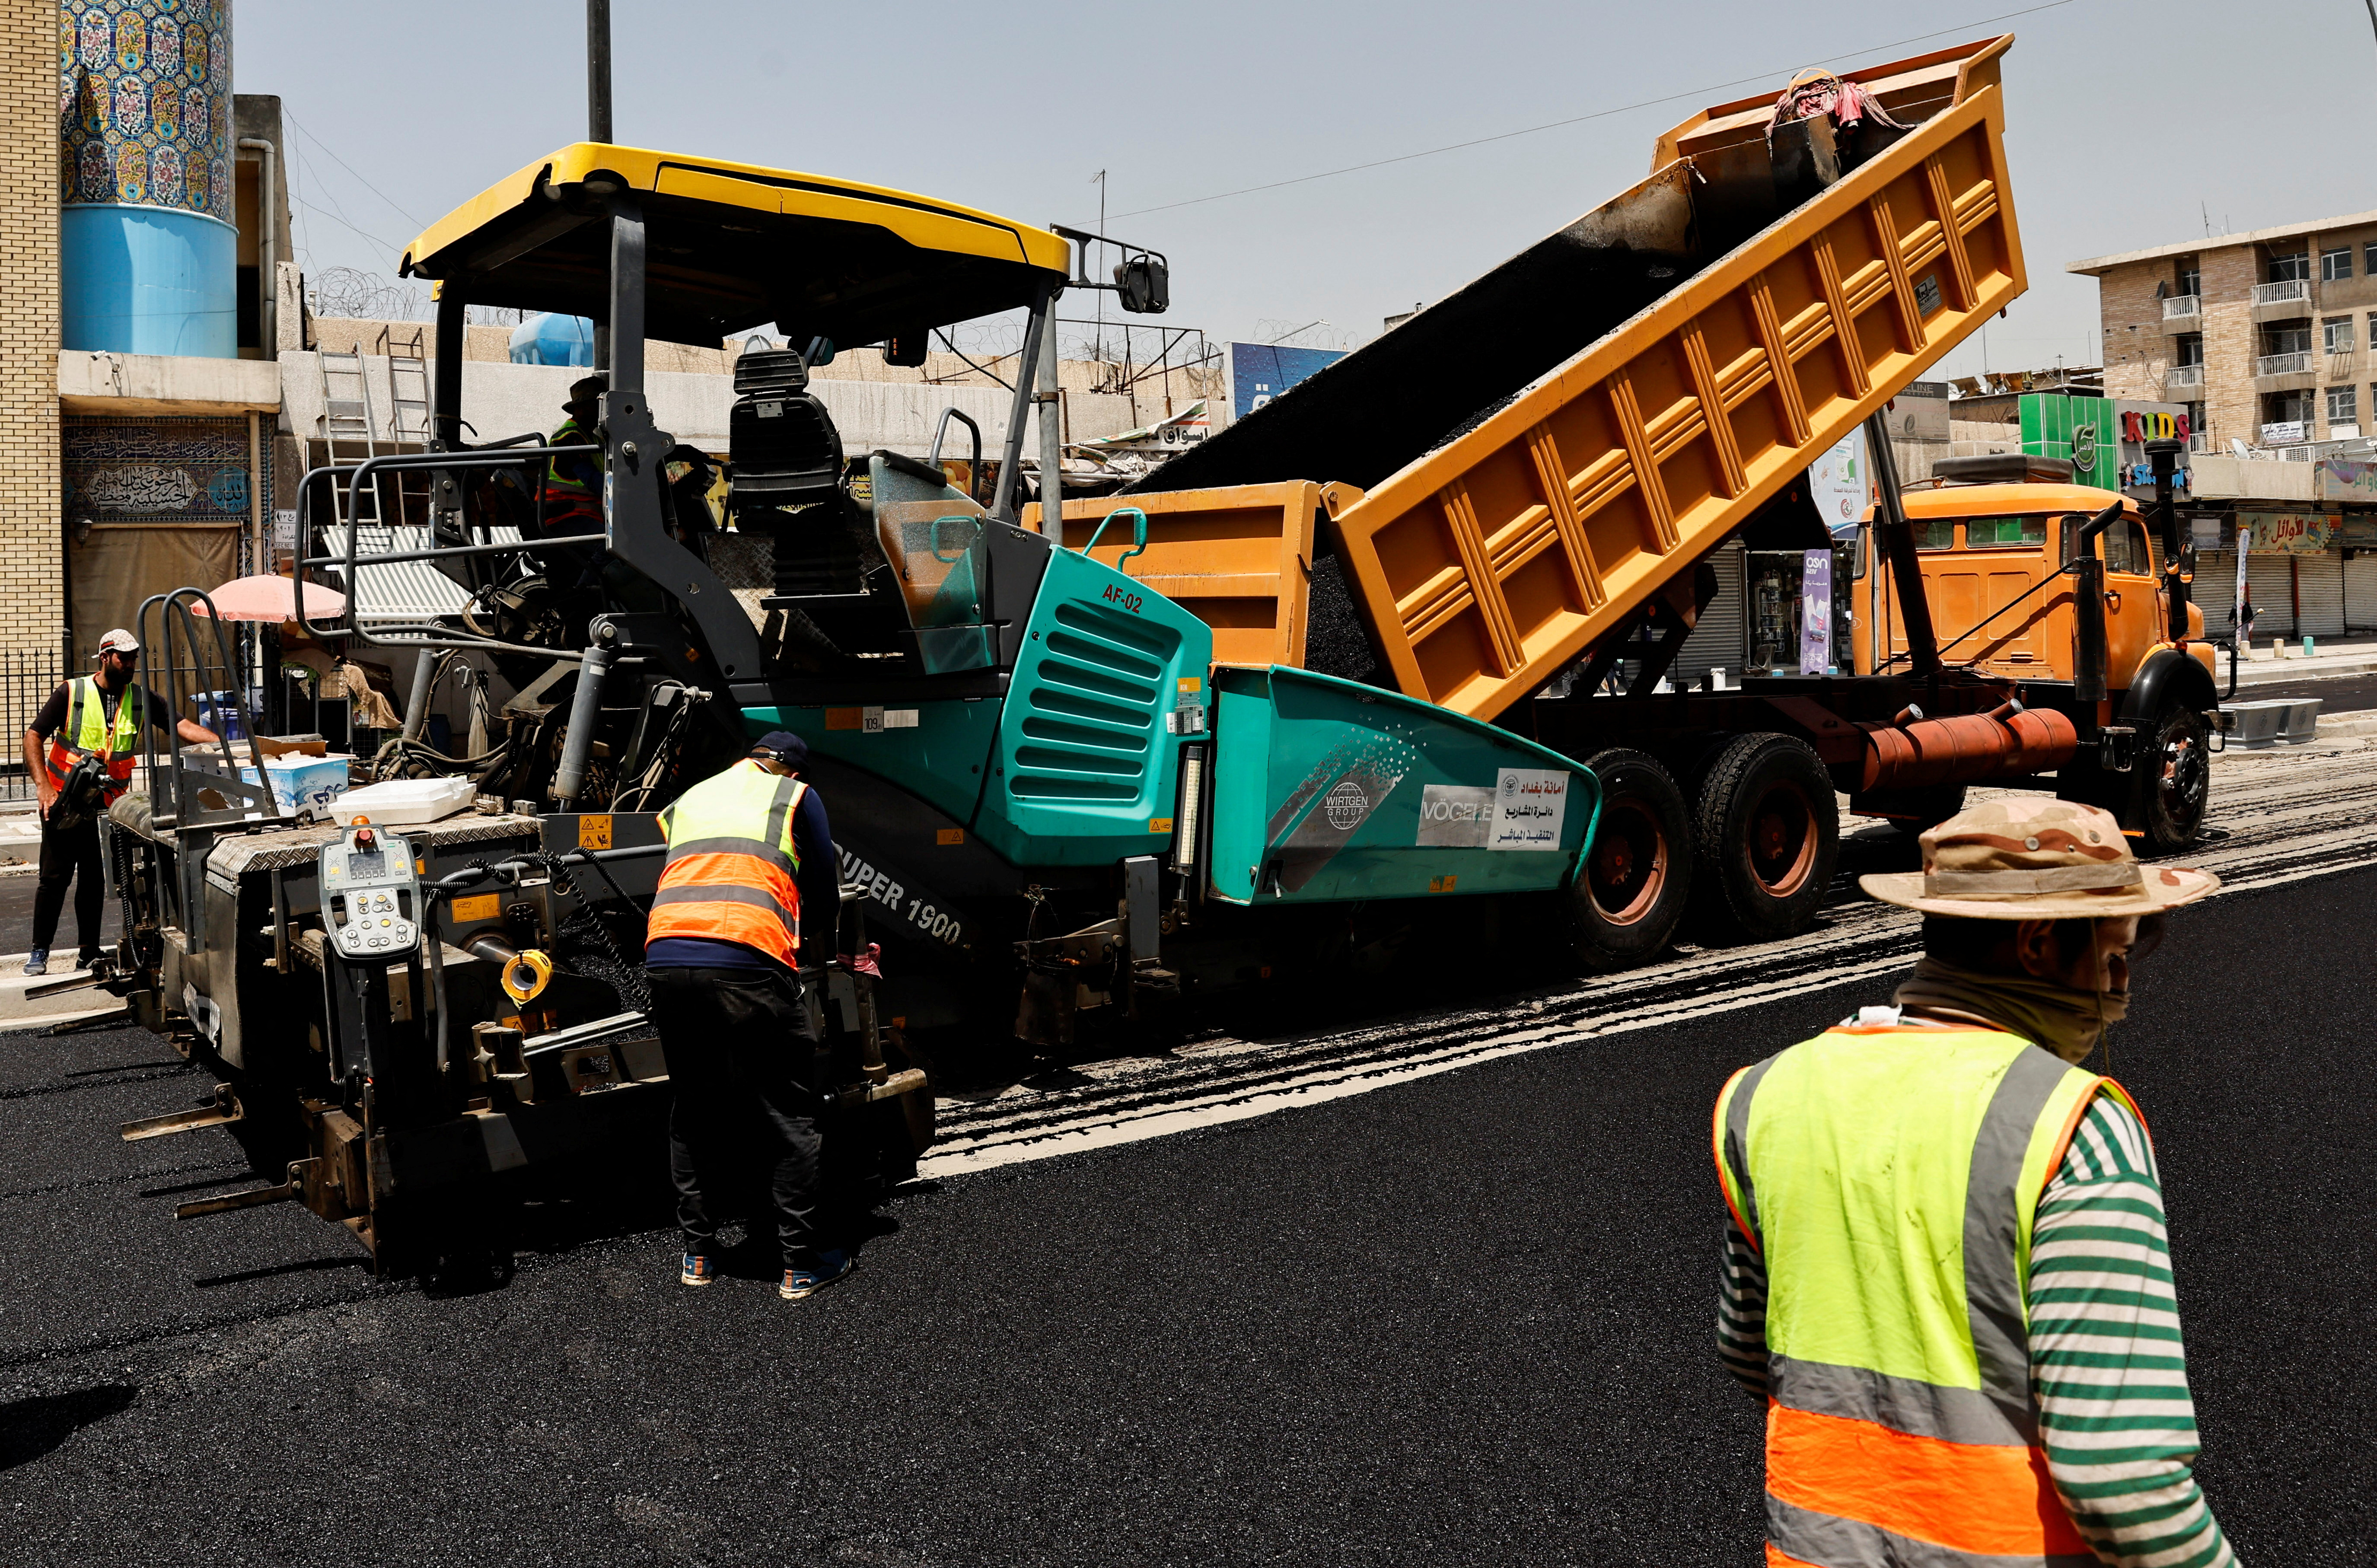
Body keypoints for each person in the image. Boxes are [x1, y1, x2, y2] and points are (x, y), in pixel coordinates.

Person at [1713, 799, 2234, 1568]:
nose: (2122, 989)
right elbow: (2124, 1480)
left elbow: (1747, 1348)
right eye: (2112, 957)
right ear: (2038, 943)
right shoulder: (2073, 1126)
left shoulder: (1765, 1094)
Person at [644, 730, 845, 1299]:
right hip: (746, 958)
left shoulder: (691, 797)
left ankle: (699, 1256)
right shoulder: (795, 797)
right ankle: (801, 1263)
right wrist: (815, 944)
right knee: (789, 1111)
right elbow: (823, 890)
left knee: (694, 1108)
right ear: (791, 771)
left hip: (666, 958)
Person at [19, 629, 217, 976]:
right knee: (54, 878)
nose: (130, 664)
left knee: (95, 878)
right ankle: (39, 951)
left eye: (133, 659)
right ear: (105, 658)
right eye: (123, 658)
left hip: (106, 805)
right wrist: (43, 788)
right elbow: (33, 735)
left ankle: (88, 951)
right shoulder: (72, 692)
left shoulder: (140, 698)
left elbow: (182, 726)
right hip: (64, 799)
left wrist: (227, 746)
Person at [543, 374, 606, 534]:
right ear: (581, 408)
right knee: (611, 545)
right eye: (598, 404)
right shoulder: (569, 437)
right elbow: (592, 480)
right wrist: (626, 491)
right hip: (564, 515)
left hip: (587, 514)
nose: (604, 410)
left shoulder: (595, 439)